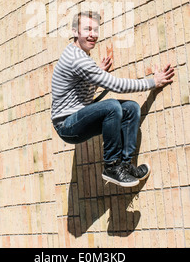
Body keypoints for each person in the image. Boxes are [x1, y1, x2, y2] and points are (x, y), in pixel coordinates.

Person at [51, 11, 174, 187]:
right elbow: (117, 85)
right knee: (112, 106)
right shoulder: (77, 59)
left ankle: (125, 165)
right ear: (74, 32)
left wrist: (97, 72)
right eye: (87, 29)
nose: (92, 34)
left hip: (78, 116)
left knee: (131, 108)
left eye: (95, 29)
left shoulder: (81, 56)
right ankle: (111, 166)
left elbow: (76, 92)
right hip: (66, 124)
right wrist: (153, 82)